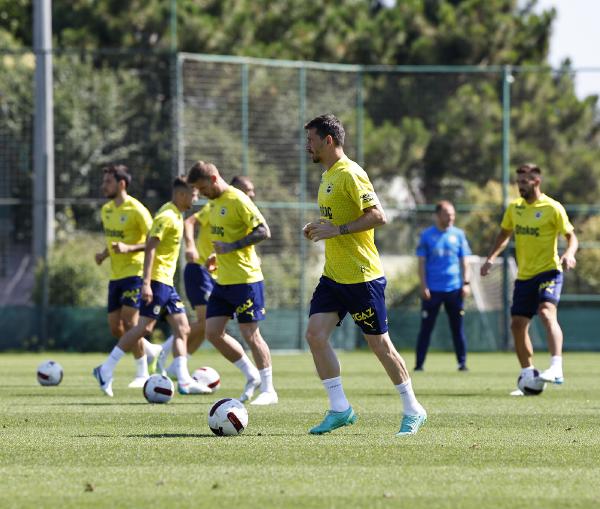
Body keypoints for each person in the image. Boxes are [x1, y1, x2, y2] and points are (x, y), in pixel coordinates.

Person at [302, 114, 426, 436]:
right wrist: (318, 227)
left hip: (362, 277)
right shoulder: (328, 175)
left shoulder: (351, 173)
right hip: (334, 276)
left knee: (380, 345)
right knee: (315, 336)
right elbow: (337, 220)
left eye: (311, 140)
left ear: (328, 140)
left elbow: (378, 216)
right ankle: (340, 409)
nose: (307, 146)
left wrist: (338, 230)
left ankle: (413, 408)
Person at [93, 177, 210, 396]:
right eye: (194, 194)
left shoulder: (176, 214)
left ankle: (184, 381)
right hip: (157, 281)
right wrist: (146, 283)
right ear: (182, 194)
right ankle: (105, 369)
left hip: (167, 282)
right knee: (143, 328)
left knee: (182, 328)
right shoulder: (166, 216)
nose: (196, 199)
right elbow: (150, 248)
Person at [480, 163, 578, 394]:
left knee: (546, 312)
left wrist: (569, 253)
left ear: (536, 181)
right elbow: (504, 234)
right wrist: (491, 257)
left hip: (549, 271)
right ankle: (528, 376)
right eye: (518, 182)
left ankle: (556, 367)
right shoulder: (515, 208)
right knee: (517, 325)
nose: (520, 186)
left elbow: (571, 237)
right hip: (525, 276)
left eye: (524, 182)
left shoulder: (553, 207)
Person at [187, 161, 277, 405]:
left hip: (246, 279)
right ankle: (251, 375)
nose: (201, 194)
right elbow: (226, 236)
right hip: (223, 281)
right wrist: (217, 256)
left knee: (250, 334)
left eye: (203, 188)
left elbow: (263, 231)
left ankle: (269, 389)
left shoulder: (238, 199)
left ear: (214, 179)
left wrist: (231, 247)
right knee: (213, 333)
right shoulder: (215, 203)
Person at [157, 175, 257, 373]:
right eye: (248, 190)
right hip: (199, 269)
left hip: (217, 274)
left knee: (208, 328)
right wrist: (190, 246)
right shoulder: (215, 206)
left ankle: (177, 366)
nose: (252, 194)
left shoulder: (241, 212)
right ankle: (162, 350)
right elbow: (189, 222)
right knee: (206, 323)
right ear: (237, 190)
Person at [94, 164, 162, 388]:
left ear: (121, 184)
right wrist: (104, 254)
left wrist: (129, 248)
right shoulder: (106, 210)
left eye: (108, 182)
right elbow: (113, 242)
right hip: (116, 275)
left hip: (135, 273)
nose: (104, 186)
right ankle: (150, 349)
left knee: (130, 321)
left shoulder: (137, 210)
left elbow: (154, 242)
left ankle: (142, 373)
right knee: (116, 327)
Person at [414, 200, 472, 372]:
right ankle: (419, 365)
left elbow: (465, 261)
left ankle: (462, 363)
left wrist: (466, 283)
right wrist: (423, 286)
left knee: (457, 329)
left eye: (453, 214)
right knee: (426, 329)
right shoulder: (426, 236)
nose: (451, 217)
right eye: (447, 214)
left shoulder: (459, 235)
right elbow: (421, 263)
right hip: (432, 291)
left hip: (454, 289)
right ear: (437, 215)